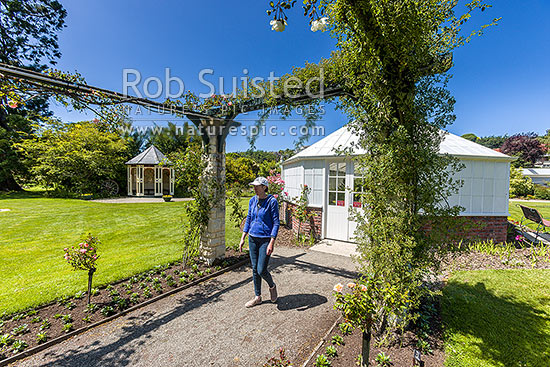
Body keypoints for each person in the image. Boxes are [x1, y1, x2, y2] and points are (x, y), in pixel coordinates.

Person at [239, 176, 280, 308]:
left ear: (264, 187)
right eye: (254, 186)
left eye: (257, 186)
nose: (255, 188)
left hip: (265, 239)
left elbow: (276, 223)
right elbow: (249, 219)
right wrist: (243, 237)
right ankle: (258, 297)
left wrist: (271, 242)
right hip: (252, 238)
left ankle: (272, 286)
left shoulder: (271, 202)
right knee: (254, 269)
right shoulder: (252, 200)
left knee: (261, 269)